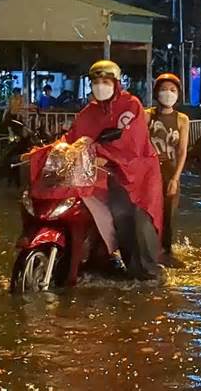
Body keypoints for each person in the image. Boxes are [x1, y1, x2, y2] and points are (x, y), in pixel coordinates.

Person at [64, 60, 164, 280]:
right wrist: (51, 150)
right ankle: (125, 267)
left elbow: (130, 140)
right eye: (96, 82)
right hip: (110, 175)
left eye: (106, 81)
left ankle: (150, 274)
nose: (101, 86)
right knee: (119, 218)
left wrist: (100, 152)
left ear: (116, 83)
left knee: (138, 219)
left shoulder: (131, 105)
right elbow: (72, 138)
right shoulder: (88, 113)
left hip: (139, 174)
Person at [144, 73, 190, 268]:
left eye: (172, 90)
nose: (168, 94)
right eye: (164, 89)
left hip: (170, 172)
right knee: (147, 213)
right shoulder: (147, 115)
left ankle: (167, 252)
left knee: (168, 214)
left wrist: (176, 178)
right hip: (149, 173)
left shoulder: (182, 119)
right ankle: (148, 251)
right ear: (156, 93)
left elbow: (182, 151)